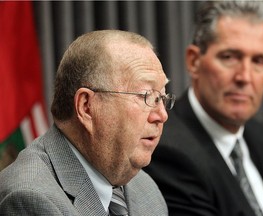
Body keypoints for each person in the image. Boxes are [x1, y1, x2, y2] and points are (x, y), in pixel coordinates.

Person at [0, 30, 176, 215]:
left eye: (161, 98)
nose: (162, 115)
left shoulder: (145, 189)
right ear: (87, 106)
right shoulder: (31, 198)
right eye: (145, 96)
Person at [144, 1, 263, 216]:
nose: (244, 77)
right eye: (229, 57)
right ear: (194, 61)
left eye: (259, 61)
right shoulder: (167, 151)